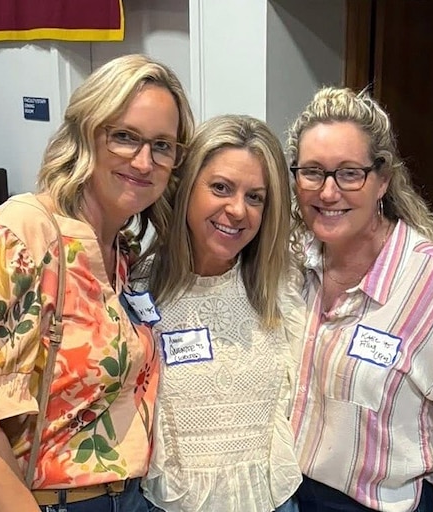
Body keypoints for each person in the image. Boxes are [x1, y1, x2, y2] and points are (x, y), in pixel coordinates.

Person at [0, 54, 194, 512]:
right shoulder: (17, 239)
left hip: (121, 496)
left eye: (163, 145)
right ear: (86, 133)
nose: (144, 161)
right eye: (125, 137)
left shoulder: (120, 250)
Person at [287, 87, 433, 512]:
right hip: (287, 495)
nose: (327, 192)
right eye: (312, 172)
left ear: (382, 180)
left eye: (349, 173)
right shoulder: (288, 262)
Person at [134, 114, 304, 512]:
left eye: (255, 197)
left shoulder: (283, 287)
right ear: (188, 187)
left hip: (272, 500)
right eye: (221, 188)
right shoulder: (138, 288)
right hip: (170, 503)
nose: (238, 210)